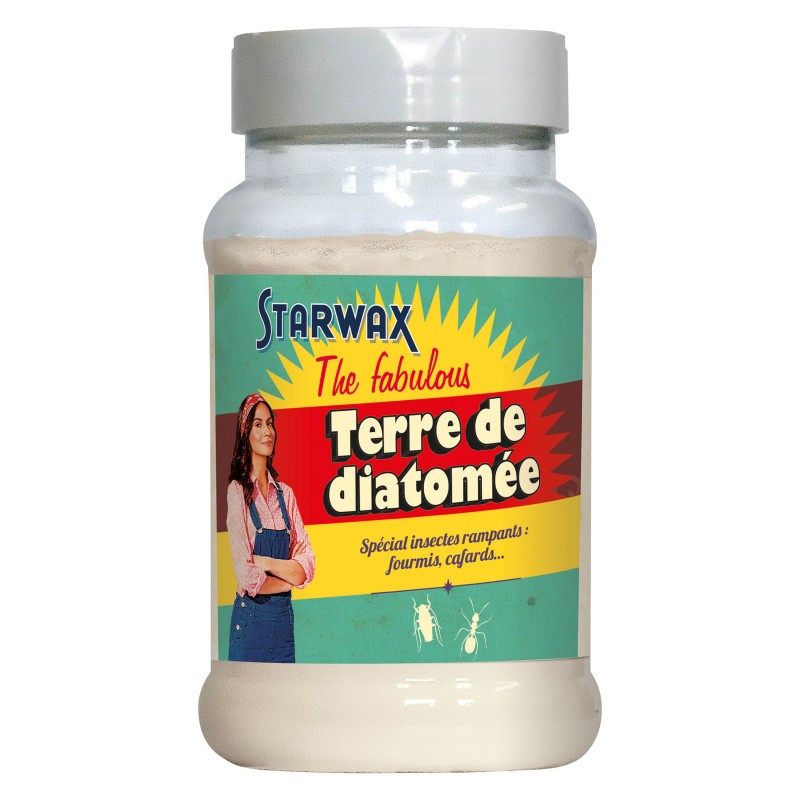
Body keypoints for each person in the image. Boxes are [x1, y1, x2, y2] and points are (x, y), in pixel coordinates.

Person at [226, 393, 315, 662]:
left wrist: (265, 562)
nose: (267, 431)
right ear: (246, 434)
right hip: (250, 625)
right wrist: (288, 579)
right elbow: (246, 576)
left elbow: (306, 568)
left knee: (286, 689)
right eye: (258, 424)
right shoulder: (237, 492)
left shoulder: (286, 495)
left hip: (284, 627)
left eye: (270, 423)